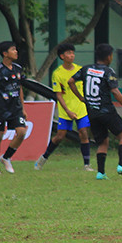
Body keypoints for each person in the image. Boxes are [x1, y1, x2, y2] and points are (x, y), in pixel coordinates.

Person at [69, 43, 122, 180]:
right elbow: (115, 91)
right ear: (109, 56)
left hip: (92, 112)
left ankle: (101, 173)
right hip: (106, 110)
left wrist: (81, 97)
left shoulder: (86, 69)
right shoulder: (108, 71)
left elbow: (70, 81)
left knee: (103, 142)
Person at [35, 43, 93, 171]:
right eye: (68, 53)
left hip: (81, 107)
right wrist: (67, 110)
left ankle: (87, 165)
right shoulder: (58, 73)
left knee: (83, 133)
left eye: (73, 53)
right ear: (62, 56)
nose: (72, 55)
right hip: (66, 109)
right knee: (60, 136)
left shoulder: (80, 69)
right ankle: (43, 159)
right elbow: (59, 95)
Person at [0, 41, 29, 175]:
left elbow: (20, 88)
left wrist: (23, 107)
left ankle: (6, 157)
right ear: (5, 54)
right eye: (13, 50)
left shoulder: (18, 68)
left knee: (21, 132)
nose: (16, 52)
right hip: (1, 108)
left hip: (15, 108)